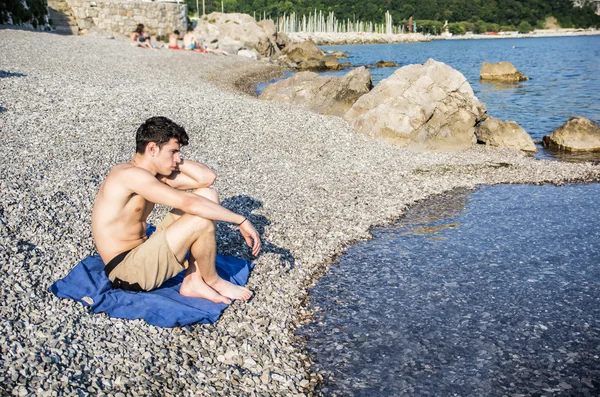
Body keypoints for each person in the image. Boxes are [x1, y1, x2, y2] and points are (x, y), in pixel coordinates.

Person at [91, 117, 261, 303]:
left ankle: (194, 280)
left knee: (207, 195)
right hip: (127, 270)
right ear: (152, 148)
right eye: (173, 152)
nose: (177, 159)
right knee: (201, 218)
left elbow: (206, 178)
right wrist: (240, 220)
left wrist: (172, 159)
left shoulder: (153, 176)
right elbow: (188, 203)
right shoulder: (129, 175)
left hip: (144, 251)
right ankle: (213, 280)